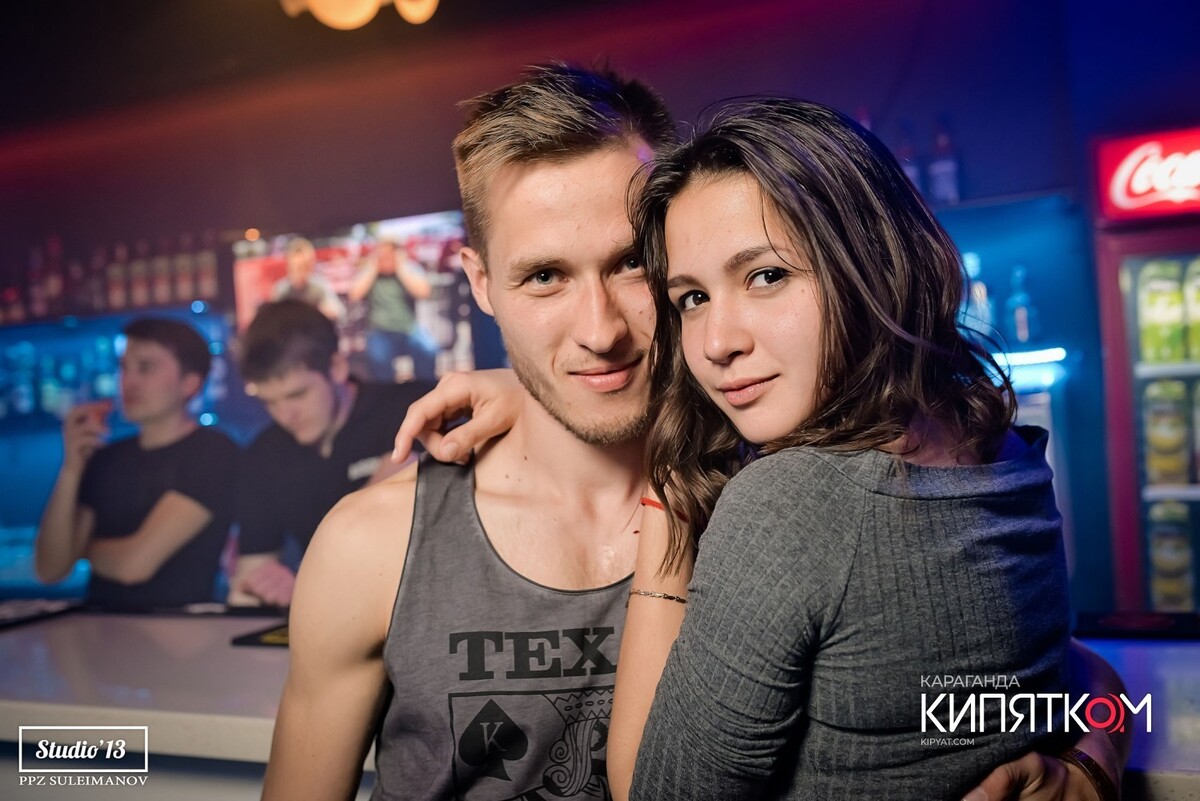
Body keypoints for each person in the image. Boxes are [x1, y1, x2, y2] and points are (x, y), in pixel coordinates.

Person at [272, 65, 1124, 801]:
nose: (600, 330)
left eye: (630, 264)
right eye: (544, 277)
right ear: (481, 283)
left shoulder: (790, 489)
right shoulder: (373, 546)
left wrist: (1093, 757)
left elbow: (1041, 666)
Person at [605, 98, 1111, 799]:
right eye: (692, 297)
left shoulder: (788, 504)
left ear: (872, 263)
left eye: (766, 276)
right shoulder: (1009, 454)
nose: (717, 342)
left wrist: (666, 490)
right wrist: (1094, 761)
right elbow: (1086, 681)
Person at [228, 299, 432, 607]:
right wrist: (271, 587)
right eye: (269, 401)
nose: (285, 414)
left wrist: (306, 582)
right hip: (334, 616)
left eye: (297, 394)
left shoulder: (413, 409)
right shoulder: (264, 455)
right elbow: (246, 586)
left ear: (336, 368)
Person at [35, 317, 237, 610]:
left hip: (181, 627)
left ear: (190, 383)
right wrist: (71, 469)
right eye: (124, 368)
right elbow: (49, 569)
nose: (128, 382)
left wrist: (79, 549)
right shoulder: (106, 458)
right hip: (97, 625)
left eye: (146, 367)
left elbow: (134, 566)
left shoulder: (214, 452)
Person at [348, 238, 438, 382]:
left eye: (389, 255)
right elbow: (354, 295)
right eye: (382, 255)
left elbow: (423, 292)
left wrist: (401, 267)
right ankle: (388, 393)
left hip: (409, 329)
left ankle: (425, 388)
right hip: (379, 332)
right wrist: (373, 268)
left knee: (428, 350)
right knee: (379, 358)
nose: (385, 259)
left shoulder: (409, 268)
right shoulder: (370, 272)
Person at [270, 236, 346, 323]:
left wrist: (325, 311)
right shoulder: (281, 290)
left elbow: (338, 313)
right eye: (298, 268)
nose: (302, 273)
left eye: (306, 267)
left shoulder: (319, 287)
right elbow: (272, 319)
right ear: (288, 266)